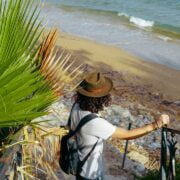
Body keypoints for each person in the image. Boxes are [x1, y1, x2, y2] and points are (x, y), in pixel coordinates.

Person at [69, 72, 170, 180]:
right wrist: (155, 125)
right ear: (101, 98)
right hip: (90, 174)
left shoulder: (76, 106)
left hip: (80, 166)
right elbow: (127, 134)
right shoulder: (95, 123)